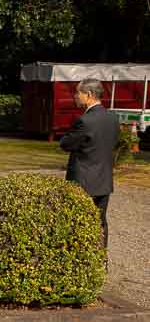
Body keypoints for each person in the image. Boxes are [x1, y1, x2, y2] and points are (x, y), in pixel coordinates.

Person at [60, 79, 120, 249]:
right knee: (100, 222)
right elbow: (113, 143)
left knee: (77, 223)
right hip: (104, 180)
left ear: (89, 95)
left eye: (77, 93)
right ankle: (101, 260)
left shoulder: (85, 121)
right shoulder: (113, 118)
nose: (75, 96)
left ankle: (81, 262)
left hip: (83, 181)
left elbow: (65, 143)